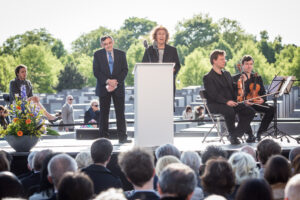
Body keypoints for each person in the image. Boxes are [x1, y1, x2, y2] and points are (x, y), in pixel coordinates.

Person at [203, 50, 256, 144]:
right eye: (222, 59)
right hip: (215, 104)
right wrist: (226, 102)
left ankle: (234, 135)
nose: (224, 61)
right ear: (214, 61)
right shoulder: (208, 77)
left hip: (230, 102)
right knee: (229, 110)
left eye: (224, 59)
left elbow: (233, 88)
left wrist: (241, 82)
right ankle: (233, 135)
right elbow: (213, 95)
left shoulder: (226, 74)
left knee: (250, 111)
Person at [93, 35, 130, 143]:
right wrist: (108, 82)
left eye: (109, 43)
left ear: (113, 42)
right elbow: (96, 71)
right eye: (105, 44)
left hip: (118, 87)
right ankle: (103, 139)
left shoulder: (121, 54)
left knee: (120, 113)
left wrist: (115, 83)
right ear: (102, 45)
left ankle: (122, 138)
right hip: (104, 87)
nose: (108, 45)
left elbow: (125, 70)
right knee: (104, 114)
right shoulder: (97, 54)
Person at [233, 55, 275, 141]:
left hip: (256, 102)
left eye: (251, 64)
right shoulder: (236, 78)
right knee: (243, 111)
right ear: (242, 65)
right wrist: (244, 101)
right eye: (247, 64)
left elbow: (263, 92)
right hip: (245, 104)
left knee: (271, 109)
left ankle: (259, 133)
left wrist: (263, 99)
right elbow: (236, 93)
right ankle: (250, 134)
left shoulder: (257, 77)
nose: (249, 66)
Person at [142, 26, 181, 99]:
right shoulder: (149, 50)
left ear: (166, 36)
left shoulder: (172, 50)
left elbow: (178, 65)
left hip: (168, 83)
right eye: (159, 34)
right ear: (155, 36)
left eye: (163, 34)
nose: (161, 36)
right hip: (152, 83)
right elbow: (143, 65)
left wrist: (174, 70)